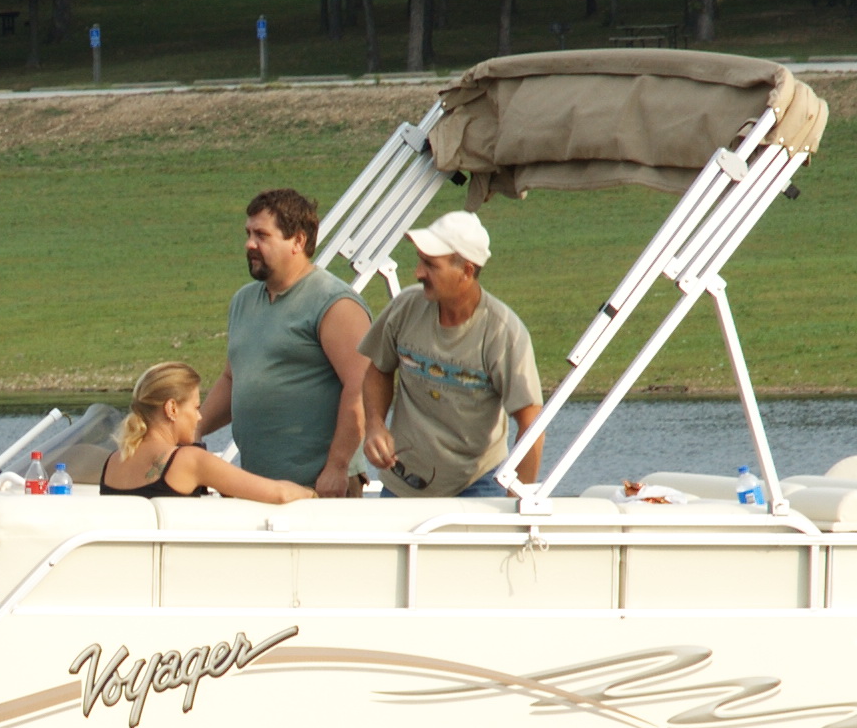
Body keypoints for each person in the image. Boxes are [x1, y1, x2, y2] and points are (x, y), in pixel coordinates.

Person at [357, 210, 544, 501]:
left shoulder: (503, 332)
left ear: (467, 271)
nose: (418, 272)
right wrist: (374, 425)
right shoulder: (405, 306)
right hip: (402, 481)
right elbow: (378, 369)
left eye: (430, 265)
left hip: (477, 484)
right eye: (420, 261)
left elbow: (532, 424)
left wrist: (515, 502)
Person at [201, 186, 368, 497]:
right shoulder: (244, 300)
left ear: (298, 241)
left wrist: (337, 467)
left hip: (317, 487)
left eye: (262, 235)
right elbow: (232, 378)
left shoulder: (334, 303)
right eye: (248, 233)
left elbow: (361, 387)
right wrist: (191, 428)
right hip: (259, 485)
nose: (249, 244)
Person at [98, 361, 318, 503]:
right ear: (172, 408)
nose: (200, 417)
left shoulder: (113, 461)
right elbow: (278, 494)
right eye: (195, 408)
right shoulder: (188, 460)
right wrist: (310, 493)